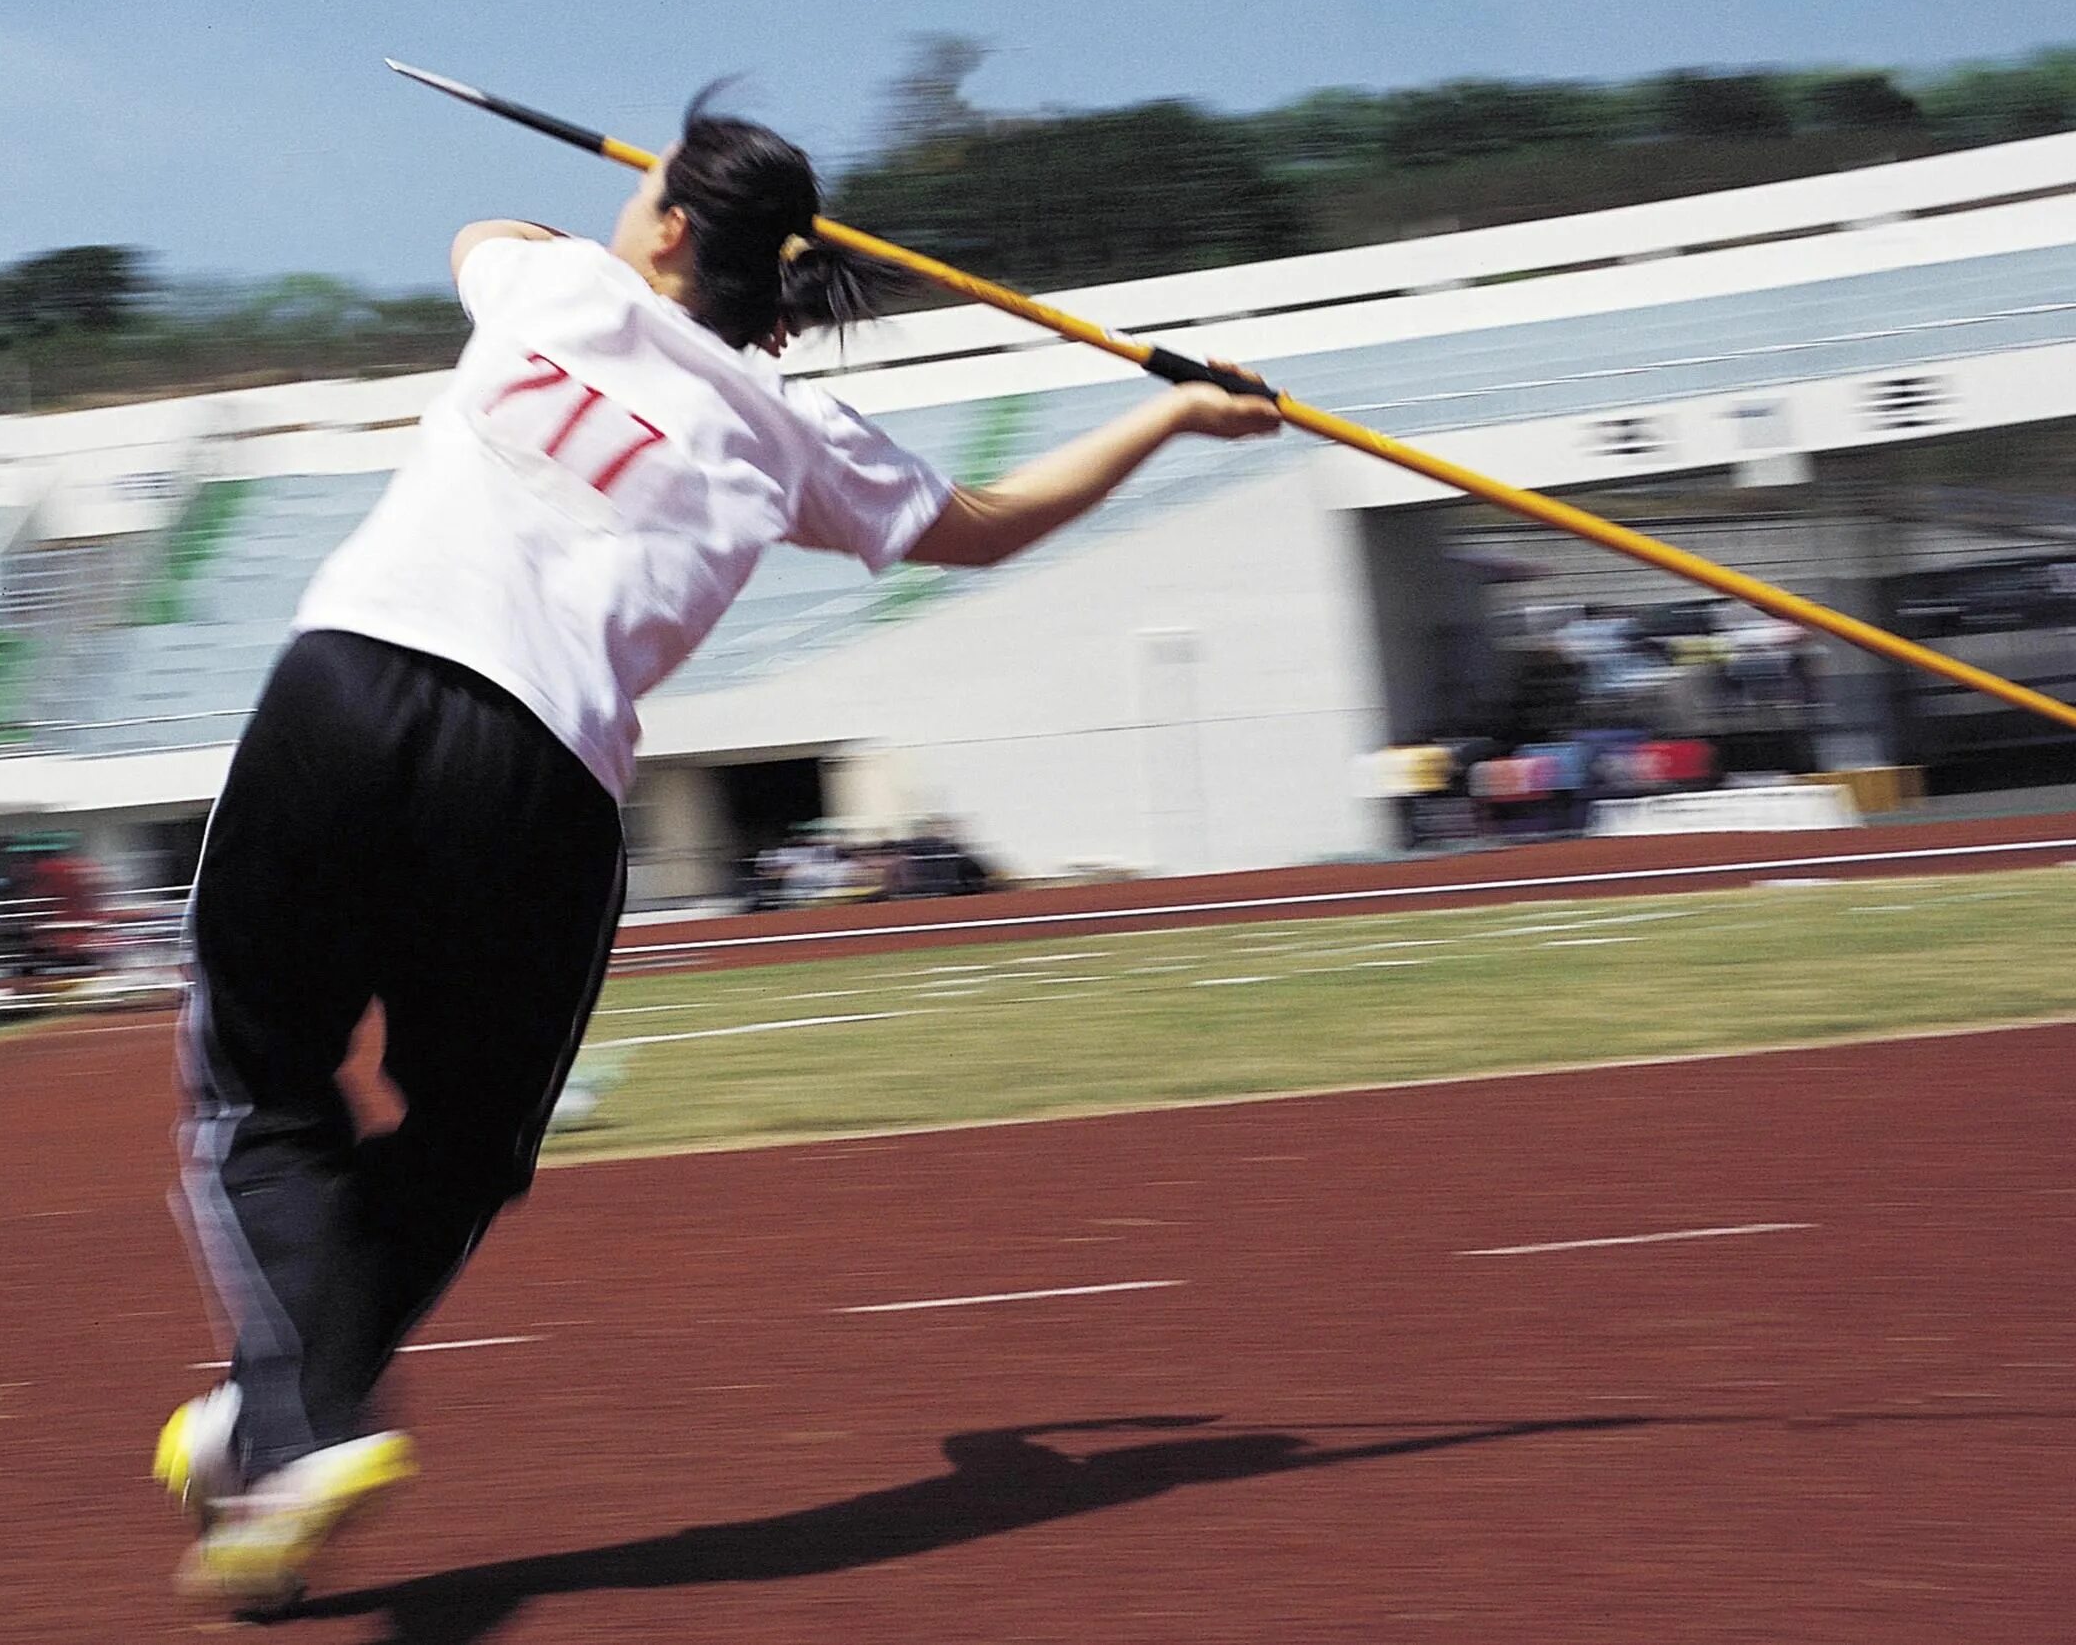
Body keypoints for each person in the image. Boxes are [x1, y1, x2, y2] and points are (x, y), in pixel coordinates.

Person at [155, 85, 1281, 1608]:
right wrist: (1174, 410)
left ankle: (296, 1424)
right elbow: (995, 522)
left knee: (260, 1076)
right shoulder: (798, 432)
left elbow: (480, 227)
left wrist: (656, 211)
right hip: (540, 777)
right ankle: (273, 1423)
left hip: (348, 690)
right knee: (468, 1139)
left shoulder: (556, 285)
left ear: (669, 226)